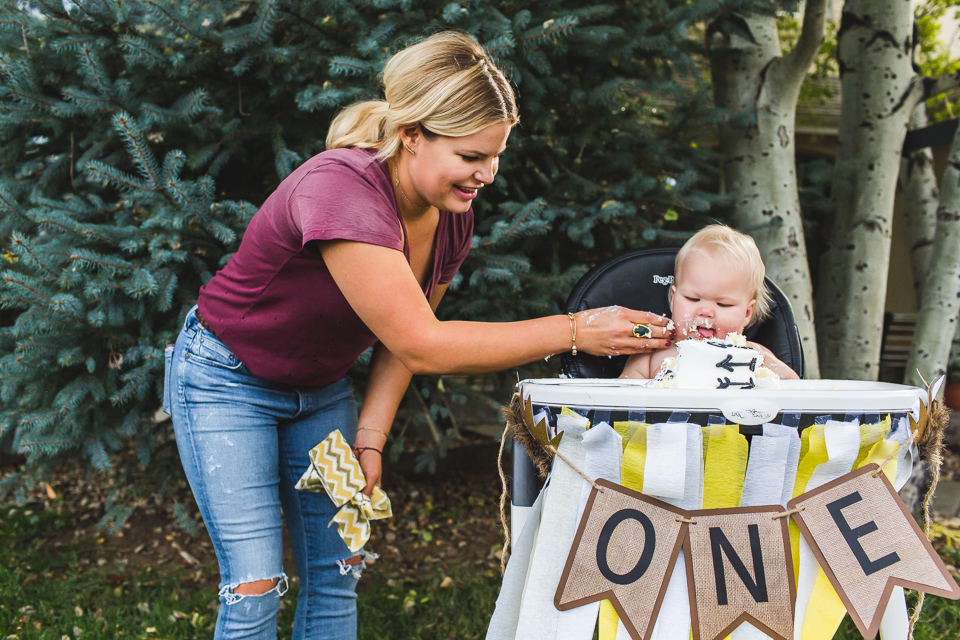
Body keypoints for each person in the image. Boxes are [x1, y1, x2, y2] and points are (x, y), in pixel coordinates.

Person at [165, 31, 673, 640]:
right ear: (412, 136)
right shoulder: (342, 190)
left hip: (319, 390)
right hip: (227, 379)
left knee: (338, 568)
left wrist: (371, 437)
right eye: (470, 157)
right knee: (253, 584)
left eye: (495, 157)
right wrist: (574, 331)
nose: (485, 174)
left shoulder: (452, 216)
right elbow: (422, 344)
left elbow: (402, 341)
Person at [619, 224, 799, 380]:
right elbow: (620, 400)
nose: (705, 311)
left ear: (746, 313)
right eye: (693, 299)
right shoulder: (651, 356)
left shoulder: (755, 357)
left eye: (723, 304)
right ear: (673, 299)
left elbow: (795, 388)